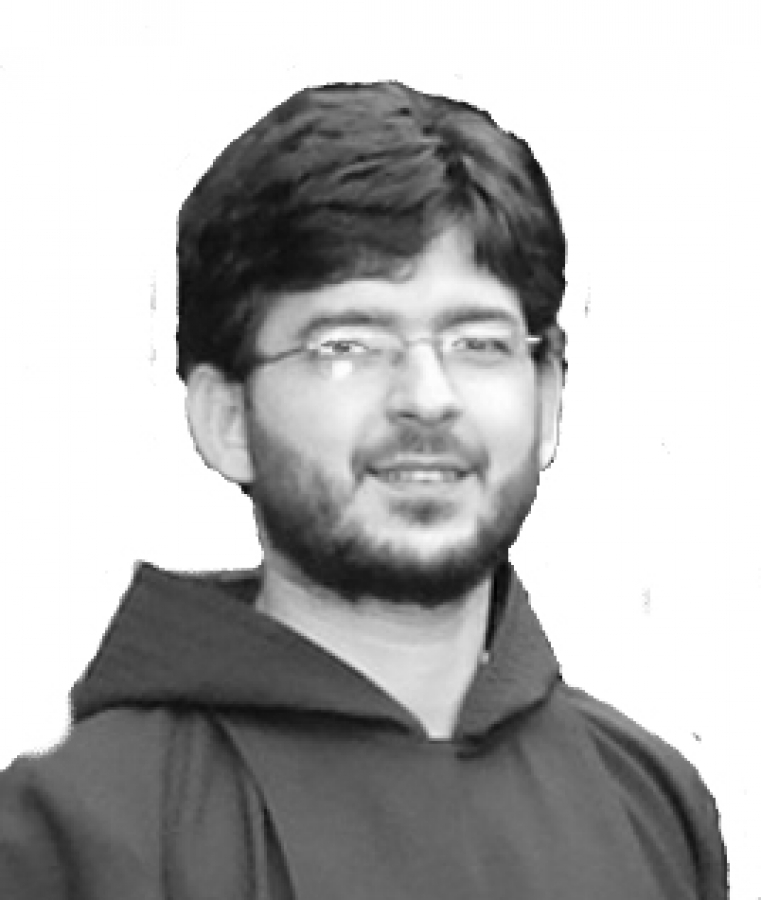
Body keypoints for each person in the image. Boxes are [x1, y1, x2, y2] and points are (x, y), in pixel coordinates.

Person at [0, 81, 727, 899]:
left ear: (548, 394)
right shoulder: (79, 826)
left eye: (478, 342)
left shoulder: (646, 799)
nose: (427, 397)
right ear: (226, 417)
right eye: (347, 345)